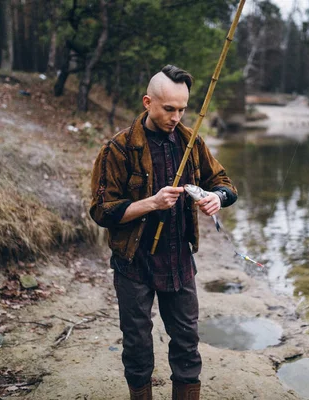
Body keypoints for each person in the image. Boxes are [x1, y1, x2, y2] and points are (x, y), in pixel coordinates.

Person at [89, 65, 237, 400]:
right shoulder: (119, 148)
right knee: (138, 348)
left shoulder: (191, 142)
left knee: (187, 346)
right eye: (168, 109)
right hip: (134, 264)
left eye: (182, 109)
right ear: (147, 102)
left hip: (179, 262)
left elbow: (226, 185)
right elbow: (101, 211)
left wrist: (216, 197)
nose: (176, 117)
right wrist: (150, 203)